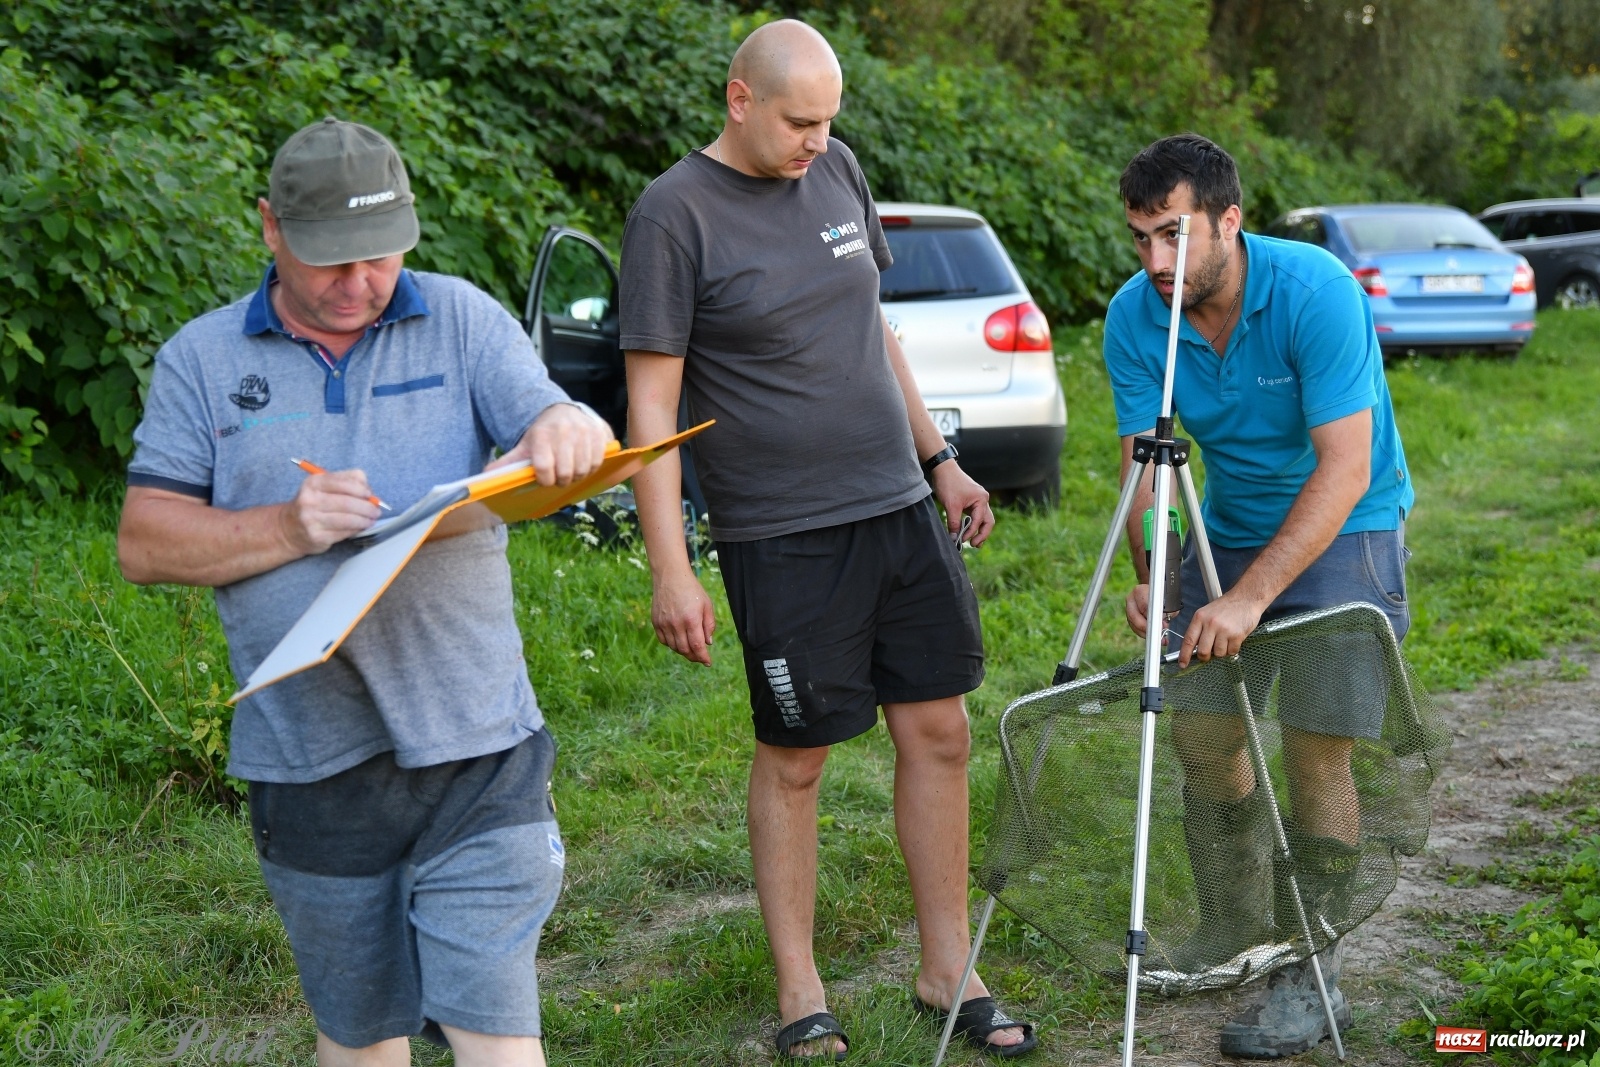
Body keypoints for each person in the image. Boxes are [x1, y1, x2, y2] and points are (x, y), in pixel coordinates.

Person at [117, 118, 612, 1067]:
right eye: (331, 261)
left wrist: (564, 425)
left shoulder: (463, 318)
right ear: (270, 227)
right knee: (361, 1040)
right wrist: (286, 527)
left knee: (497, 1031)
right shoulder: (202, 360)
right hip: (310, 761)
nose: (358, 283)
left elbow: (548, 414)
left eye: (380, 256)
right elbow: (143, 542)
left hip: (479, 747)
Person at [618, 20, 1037, 1063]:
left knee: (940, 729)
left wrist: (939, 458)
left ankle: (947, 966)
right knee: (798, 755)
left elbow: (873, 325)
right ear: (739, 100)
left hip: (896, 504)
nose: (818, 140)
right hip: (782, 532)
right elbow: (651, 409)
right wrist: (671, 566)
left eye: (828, 121)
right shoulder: (673, 214)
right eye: (799, 121)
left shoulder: (836, 167)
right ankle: (801, 990)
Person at [1105, 133, 1415, 1059]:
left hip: (1347, 522)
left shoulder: (1316, 291)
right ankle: (1233, 926)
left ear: (1228, 221)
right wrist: (1158, 576)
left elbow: (1346, 467)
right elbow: (1149, 474)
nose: (1154, 261)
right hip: (1226, 525)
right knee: (1203, 736)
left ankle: (1310, 973)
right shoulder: (1136, 315)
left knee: (1317, 749)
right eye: (1140, 238)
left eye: (1173, 234)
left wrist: (1247, 601)